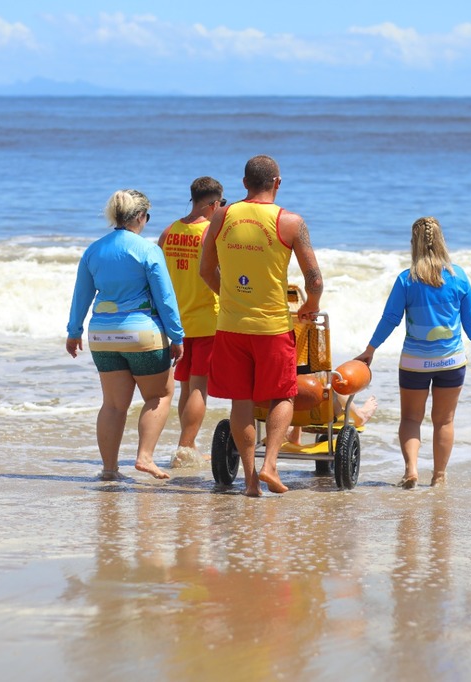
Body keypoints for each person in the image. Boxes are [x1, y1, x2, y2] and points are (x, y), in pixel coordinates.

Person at [200, 155, 323, 496]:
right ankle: (271, 464)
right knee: (282, 394)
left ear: (244, 183)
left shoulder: (222, 215)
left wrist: (228, 296)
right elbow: (314, 280)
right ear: (278, 183)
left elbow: (206, 271)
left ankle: (251, 480)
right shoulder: (291, 221)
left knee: (240, 402)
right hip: (272, 327)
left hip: (231, 325)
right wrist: (309, 309)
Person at [354, 216, 471, 488]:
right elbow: (470, 319)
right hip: (451, 361)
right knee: (445, 420)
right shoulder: (458, 276)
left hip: (415, 362)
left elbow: (390, 318)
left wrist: (371, 349)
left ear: (414, 243)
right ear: (441, 241)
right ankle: (438, 477)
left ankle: (411, 470)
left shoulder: (407, 279)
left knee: (411, 418)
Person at [66, 189, 184, 481]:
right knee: (160, 394)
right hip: (141, 333)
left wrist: (73, 332)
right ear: (141, 217)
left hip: (102, 335)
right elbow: (165, 298)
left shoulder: (94, 249)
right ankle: (144, 456)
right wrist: (177, 336)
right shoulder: (147, 250)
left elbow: (81, 295)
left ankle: (109, 469)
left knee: (114, 404)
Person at [157, 177, 226, 467]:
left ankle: (188, 443)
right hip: (207, 319)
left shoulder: (168, 232)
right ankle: (185, 448)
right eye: (220, 205)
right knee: (199, 387)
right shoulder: (211, 233)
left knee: (186, 387)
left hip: (177, 322)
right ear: (213, 204)